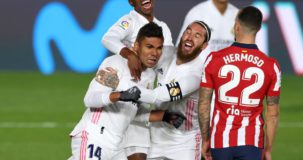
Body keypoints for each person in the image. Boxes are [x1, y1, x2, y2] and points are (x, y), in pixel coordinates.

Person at [97, 21, 211, 160]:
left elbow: (161, 96)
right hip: (155, 135)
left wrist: (123, 87)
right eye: (188, 31)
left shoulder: (197, 73)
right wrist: (129, 56)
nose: (190, 37)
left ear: (204, 46)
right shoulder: (166, 52)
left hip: (184, 142)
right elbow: (139, 51)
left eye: (197, 36)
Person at [68, 23, 183, 160]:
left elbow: (134, 113)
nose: (154, 53)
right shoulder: (115, 63)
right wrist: (121, 95)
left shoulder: (149, 76)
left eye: (159, 48)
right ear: (136, 46)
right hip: (95, 137)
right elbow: (90, 99)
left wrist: (164, 116)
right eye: (149, 47)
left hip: (117, 146)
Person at [199, 6, 281, 160]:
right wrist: (268, 149)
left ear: (236, 26)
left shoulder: (214, 59)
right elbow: (273, 114)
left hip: (220, 141)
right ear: (258, 29)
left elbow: (204, 104)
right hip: (252, 141)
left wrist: (206, 139)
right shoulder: (271, 66)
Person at [101, 1, 173, 159]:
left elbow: (166, 65)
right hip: (120, 102)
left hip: (142, 102)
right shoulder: (130, 21)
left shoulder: (163, 28)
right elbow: (108, 39)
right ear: (131, 2)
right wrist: (130, 54)